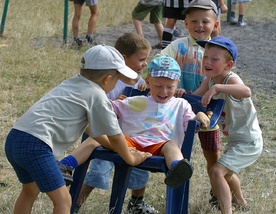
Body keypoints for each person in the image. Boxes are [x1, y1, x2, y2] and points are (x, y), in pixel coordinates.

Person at [4, 44, 152, 214]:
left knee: (30, 191)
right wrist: (131, 159)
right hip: (36, 146)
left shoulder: (72, 83)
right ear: (106, 79)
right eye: (117, 79)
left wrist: (113, 148)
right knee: (64, 200)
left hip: (15, 139)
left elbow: (91, 129)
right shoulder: (97, 95)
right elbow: (115, 135)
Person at [69, 33, 159, 214]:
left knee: (140, 171)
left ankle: (136, 202)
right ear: (124, 59)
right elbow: (97, 109)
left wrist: (147, 91)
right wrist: (115, 102)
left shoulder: (140, 83)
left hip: (132, 137)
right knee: (99, 170)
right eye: (141, 59)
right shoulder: (108, 82)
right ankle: (77, 201)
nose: (145, 64)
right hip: (107, 138)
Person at [109, 55, 210, 190]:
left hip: (161, 146)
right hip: (132, 144)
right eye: (158, 86)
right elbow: (109, 107)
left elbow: (190, 123)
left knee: (172, 146)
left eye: (170, 87)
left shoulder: (181, 104)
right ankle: (71, 163)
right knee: (101, 139)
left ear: (177, 84)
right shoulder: (137, 101)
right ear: (148, 82)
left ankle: (176, 169)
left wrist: (199, 115)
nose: (164, 91)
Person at [160, 0, 222, 207]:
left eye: (205, 21)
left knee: (212, 153)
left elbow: (228, 75)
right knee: (166, 147)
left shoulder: (219, 50)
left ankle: (216, 192)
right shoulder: (178, 46)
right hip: (177, 109)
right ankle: (143, 196)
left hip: (209, 111)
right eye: (194, 20)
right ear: (185, 23)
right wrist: (172, 82)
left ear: (215, 24)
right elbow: (161, 63)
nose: (199, 25)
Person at [194, 36, 263, 213]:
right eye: (205, 57)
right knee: (228, 173)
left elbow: (246, 91)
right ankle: (241, 203)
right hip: (235, 140)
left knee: (217, 172)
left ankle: (227, 210)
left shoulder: (230, 80)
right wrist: (180, 94)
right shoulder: (209, 80)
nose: (207, 62)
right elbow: (194, 99)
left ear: (228, 65)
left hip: (249, 141)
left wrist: (218, 89)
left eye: (214, 59)